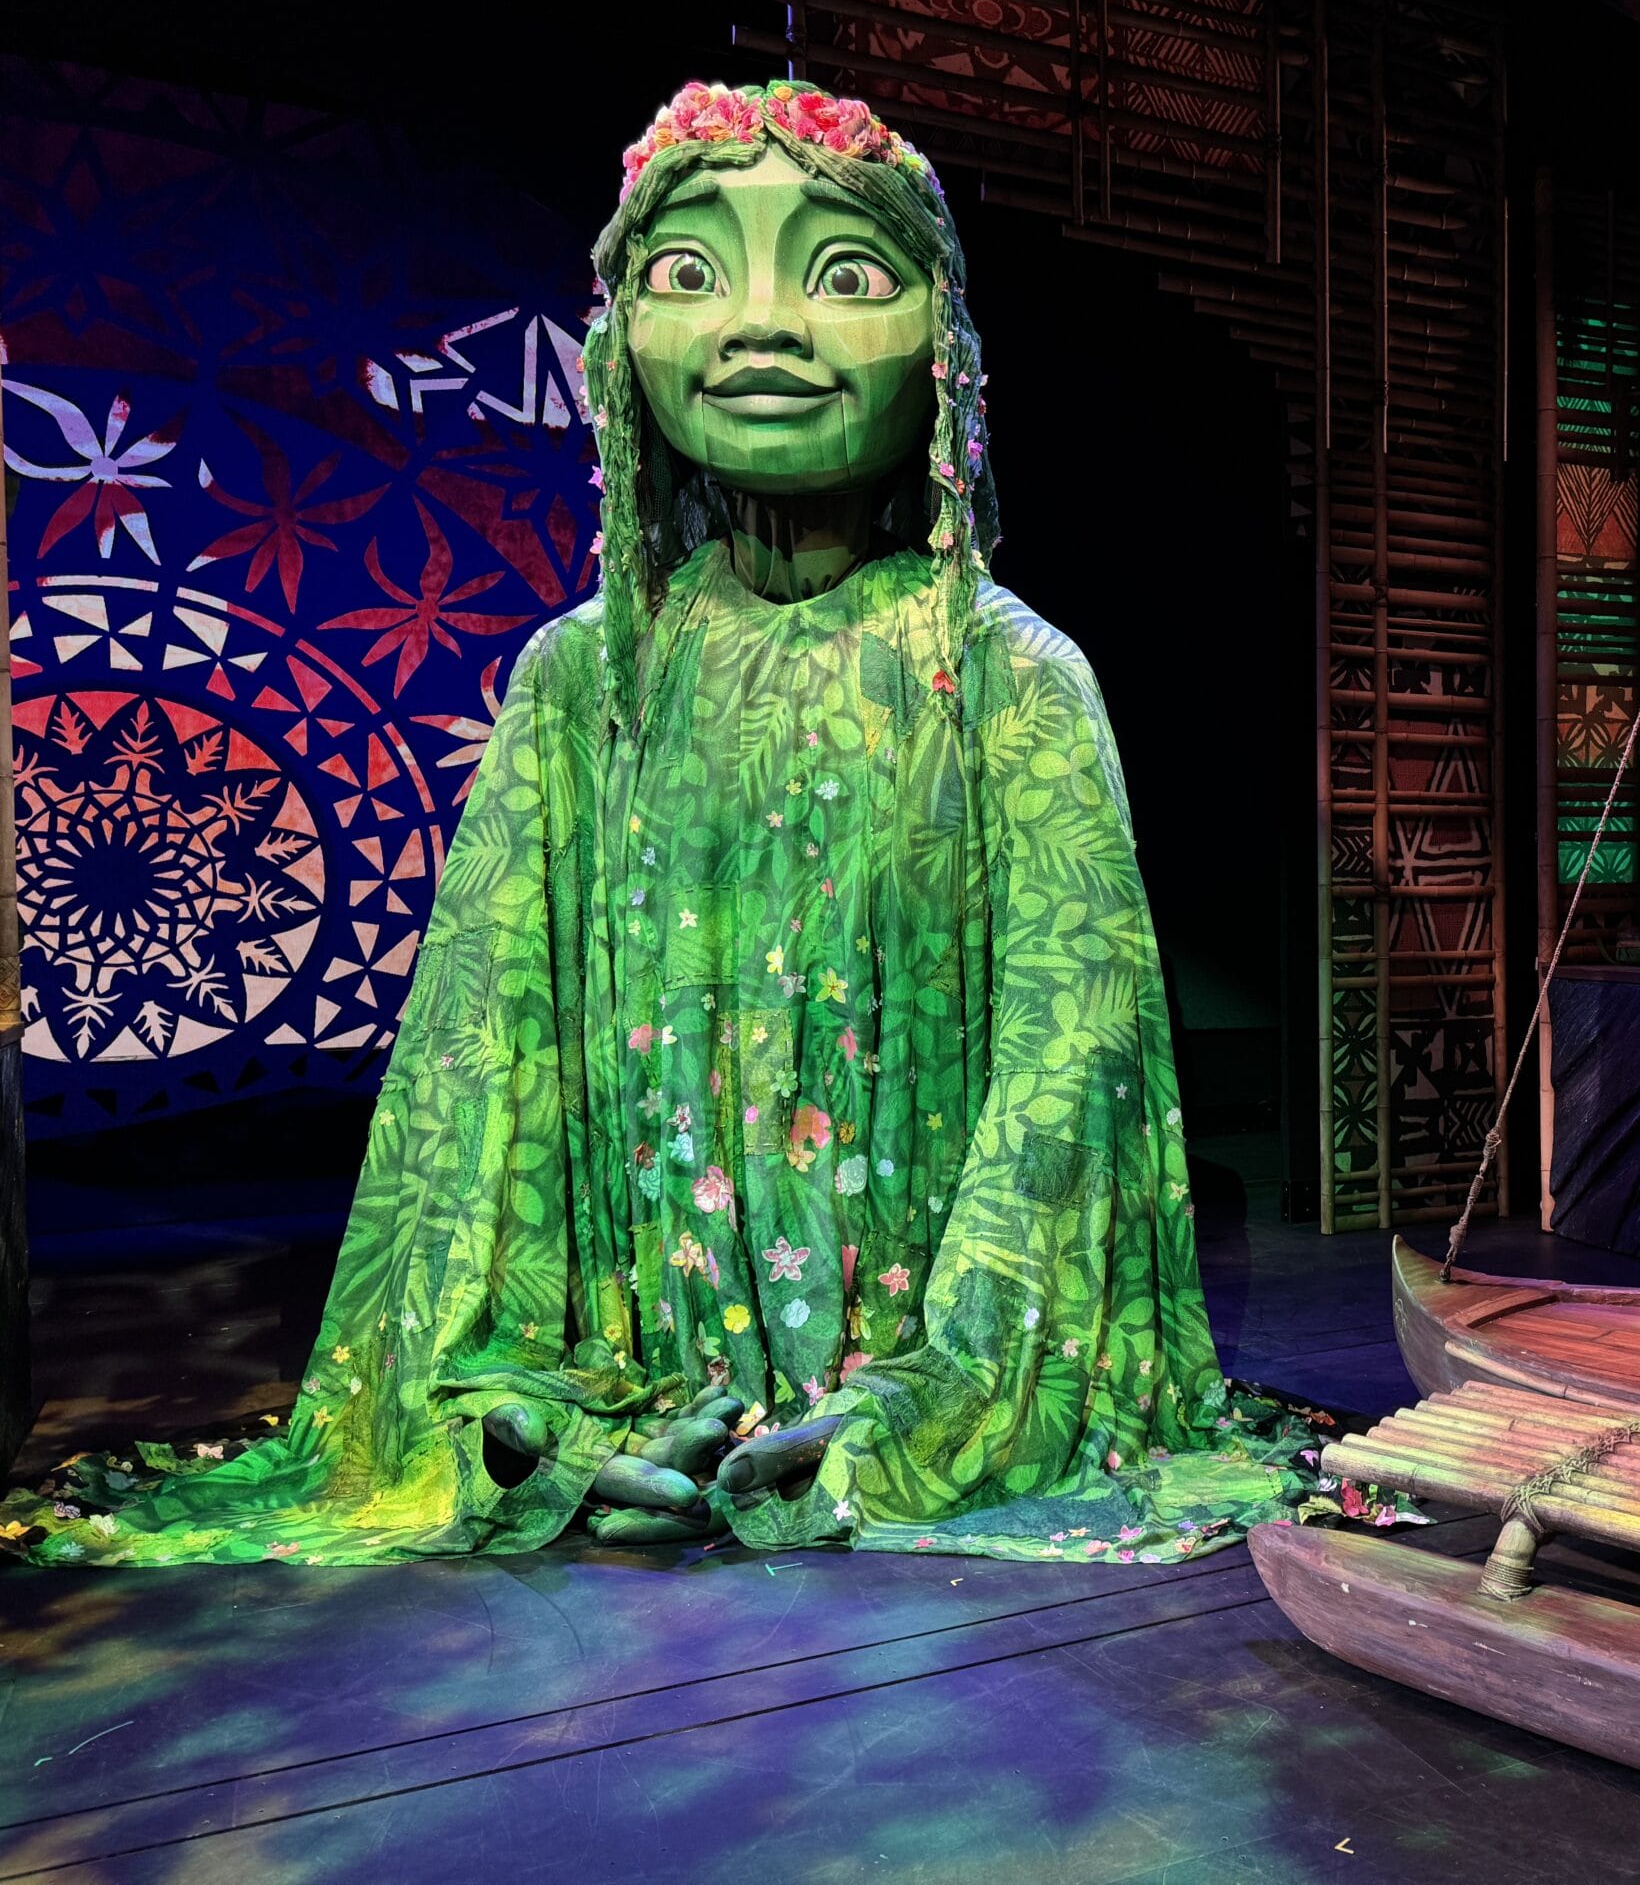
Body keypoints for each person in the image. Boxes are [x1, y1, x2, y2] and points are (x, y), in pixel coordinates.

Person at [14, 81, 1330, 1567]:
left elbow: (1066, 1080)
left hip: (922, 1366)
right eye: (689, 270)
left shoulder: (1005, 677)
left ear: (946, 350)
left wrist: (934, 1400)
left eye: (847, 276)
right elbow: (475, 1080)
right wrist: (508, 1401)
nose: (760, 328)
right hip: (640, 1357)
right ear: (620, 337)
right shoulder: (586, 683)